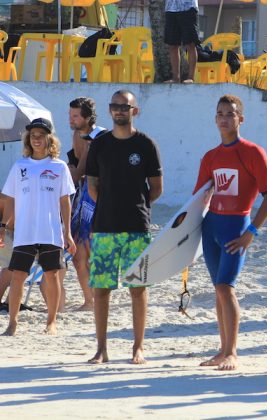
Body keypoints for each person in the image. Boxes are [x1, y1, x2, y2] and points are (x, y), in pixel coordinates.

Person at [194, 94, 267, 371]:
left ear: (241, 118)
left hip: (237, 227)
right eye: (220, 114)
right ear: (215, 119)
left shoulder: (253, 152)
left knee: (227, 287)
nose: (225, 119)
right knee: (218, 289)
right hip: (211, 227)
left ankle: (232, 352)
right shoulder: (211, 156)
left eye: (230, 114)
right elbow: (198, 199)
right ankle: (222, 349)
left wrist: (252, 230)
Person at [85, 90, 163, 364]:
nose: (119, 111)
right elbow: (92, 185)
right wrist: (110, 205)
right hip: (104, 226)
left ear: (135, 111)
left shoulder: (146, 145)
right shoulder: (100, 144)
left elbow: (156, 189)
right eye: (115, 106)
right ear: (110, 110)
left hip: (136, 226)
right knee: (101, 289)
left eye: (125, 107)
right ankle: (101, 349)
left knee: (138, 288)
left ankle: (138, 348)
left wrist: (134, 205)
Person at [0, 117, 76, 336]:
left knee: (52, 275)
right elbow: (11, 199)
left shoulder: (59, 166)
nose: (36, 139)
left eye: (41, 135)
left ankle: (51, 322)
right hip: (24, 232)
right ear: (28, 138)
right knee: (17, 276)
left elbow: (65, 201)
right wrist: (3, 225)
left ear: (49, 138)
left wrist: (67, 232)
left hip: (50, 230)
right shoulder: (20, 166)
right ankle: (12, 323)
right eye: (33, 135)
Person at [67, 97, 107, 311]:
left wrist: (66, 174)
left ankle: (95, 299)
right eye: (70, 114)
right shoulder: (78, 134)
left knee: (89, 250)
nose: (71, 119)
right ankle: (90, 299)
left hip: (95, 197)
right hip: (83, 195)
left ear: (87, 117)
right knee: (78, 253)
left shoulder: (97, 136)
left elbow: (79, 171)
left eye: (75, 115)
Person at [164, 0, 200, 83]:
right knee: (172, 45)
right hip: (170, 8)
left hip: (188, 7)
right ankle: (175, 78)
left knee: (190, 44)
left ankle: (191, 77)